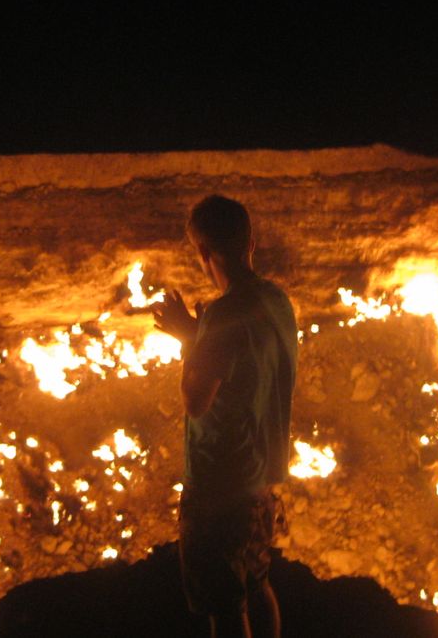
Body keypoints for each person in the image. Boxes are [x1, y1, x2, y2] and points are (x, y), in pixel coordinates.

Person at [152, 194, 298, 638]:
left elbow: (196, 399)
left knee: (225, 608)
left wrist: (189, 341)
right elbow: (241, 362)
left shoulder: (223, 315)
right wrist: (198, 335)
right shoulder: (275, 300)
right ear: (250, 242)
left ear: (202, 252)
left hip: (219, 487)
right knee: (256, 584)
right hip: (259, 482)